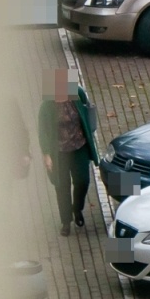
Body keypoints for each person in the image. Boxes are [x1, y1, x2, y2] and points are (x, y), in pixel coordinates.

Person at [37, 68, 99, 236]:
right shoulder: (47, 105)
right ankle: (66, 221)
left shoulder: (78, 94)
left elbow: (87, 113)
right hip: (59, 152)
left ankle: (77, 208)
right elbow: (42, 130)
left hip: (79, 146)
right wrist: (46, 155)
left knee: (82, 181)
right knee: (61, 186)